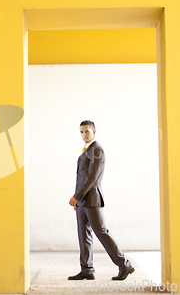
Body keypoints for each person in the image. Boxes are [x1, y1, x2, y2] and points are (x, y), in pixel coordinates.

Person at [68, 120, 134, 281]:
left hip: (92, 199)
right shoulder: (86, 150)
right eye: (81, 132)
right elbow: (82, 177)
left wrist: (77, 196)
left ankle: (124, 264)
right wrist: (78, 199)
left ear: (94, 132)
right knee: (83, 235)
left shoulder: (96, 150)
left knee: (101, 232)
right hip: (83, 200)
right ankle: (87, 269)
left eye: (87, 131)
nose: (84, 134)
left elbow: (92, 177)